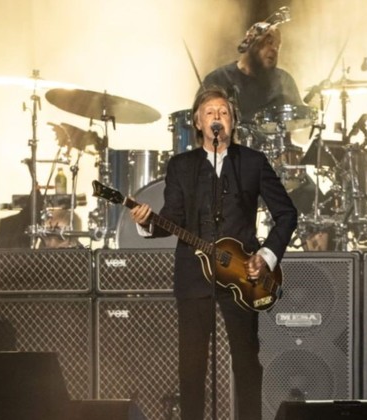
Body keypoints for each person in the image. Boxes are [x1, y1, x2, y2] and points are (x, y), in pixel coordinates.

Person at [129, 86, 298, 420]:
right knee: (191, 366)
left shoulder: (252, 162)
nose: (217, 117)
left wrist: (266, 256)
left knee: (246, 361)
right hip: (194, 275)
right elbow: (173, 219)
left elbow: (287, 213)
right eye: (209, 112)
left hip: (243, 275)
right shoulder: (181, 166)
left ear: (232, 121)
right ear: (198, 122)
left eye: (223, 112)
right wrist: (147, 222)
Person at [199, 21, 303, 124]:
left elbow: (300, 125)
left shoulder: (284, 82)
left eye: (278, 46)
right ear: (250, 42)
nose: (274, 49)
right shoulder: (218, 80)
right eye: (269, 42)